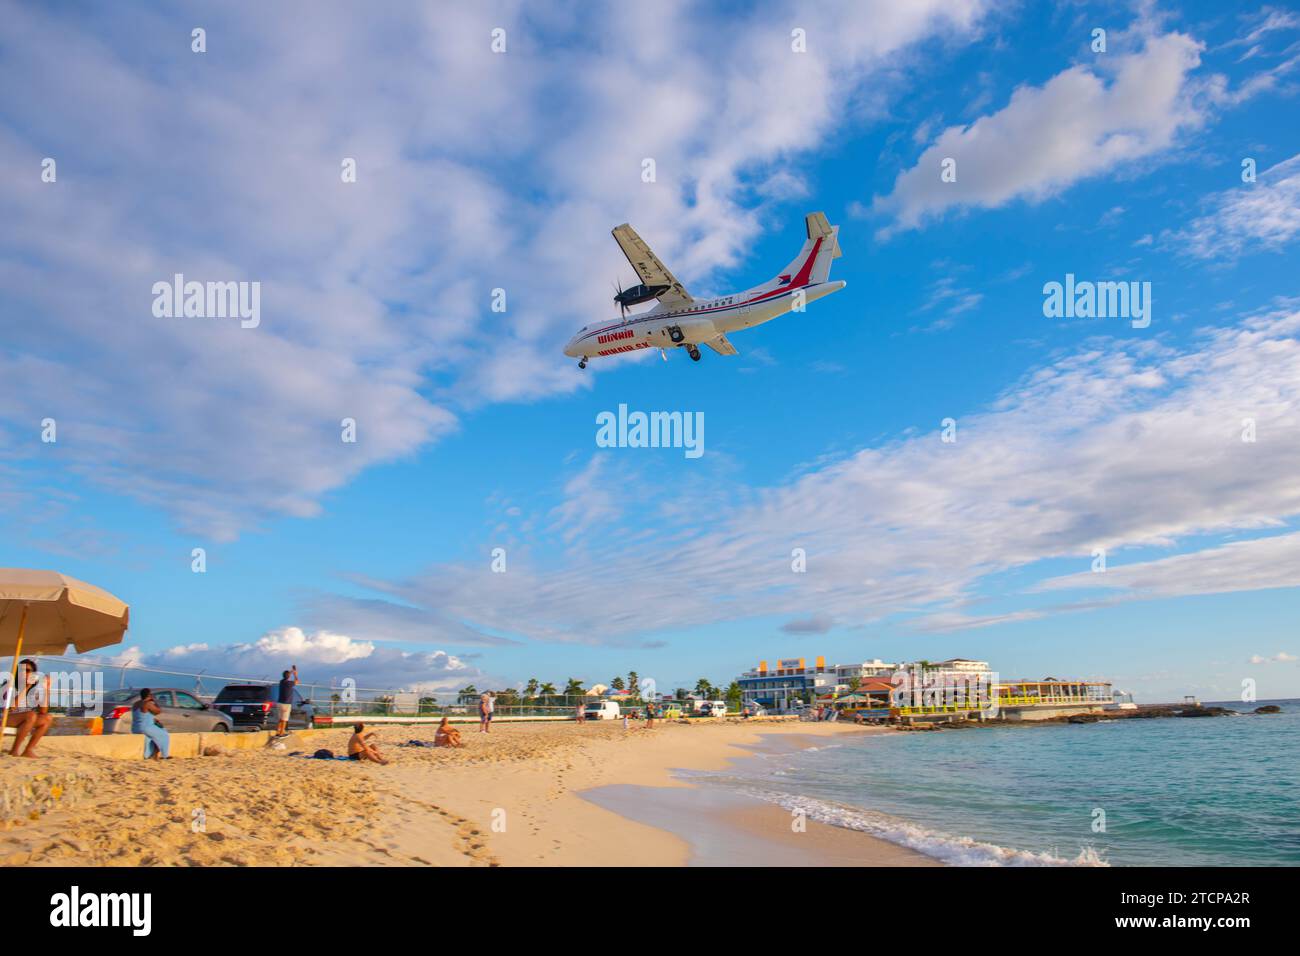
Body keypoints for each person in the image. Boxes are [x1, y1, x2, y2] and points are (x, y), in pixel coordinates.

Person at [3, 658, 53, 757]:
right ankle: (14, 750)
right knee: (31, 715)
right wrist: (27, 687)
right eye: (21, 670)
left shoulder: (34, 690)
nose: (24, 673)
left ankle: (28, 750)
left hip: (26, 720)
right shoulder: (10, 685)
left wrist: (46, 688)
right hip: (6, 717)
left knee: (47, 718)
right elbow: (12, 707)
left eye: (27, 670)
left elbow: (43, 711)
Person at [131, 688, 170, 760]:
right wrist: (155, 701)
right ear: (149, 695)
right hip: (145, 728)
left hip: (135, 728)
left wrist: (154, 720)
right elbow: (158, 711)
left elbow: (143, 716)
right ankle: (165, 755)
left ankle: (149, 755)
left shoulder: (136, 703)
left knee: (151, 737)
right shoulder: (147, 703)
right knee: (164, 734)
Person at [274, 665, 298, 737]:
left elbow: (286, 675)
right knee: (284, 719)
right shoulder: (289, 683)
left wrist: (291, 671)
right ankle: (281, 733)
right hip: (286, 704)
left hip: (279, 703)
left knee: (280, 719)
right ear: (289, 676)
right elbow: (297, 681)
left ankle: (278, 732)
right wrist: (295, 675)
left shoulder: (281, 682)